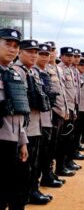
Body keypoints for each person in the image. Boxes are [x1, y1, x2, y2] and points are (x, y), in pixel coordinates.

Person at [13, 40, 52, 205]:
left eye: (36, 52)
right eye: (30, 51)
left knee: (33, 165)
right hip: (23, 130)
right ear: (19, 52)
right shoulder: (16, 72)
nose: (34, 55)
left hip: (35, 125)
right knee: (22, 169)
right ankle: (27, 194)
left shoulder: (33, 73)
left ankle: (31, 192)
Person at [0, 28, 29, 210]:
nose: (12, 49)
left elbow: (19, 112)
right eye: (7, 44)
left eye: (15, 46)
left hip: (13, 142)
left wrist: (23, 141)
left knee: (17, 193)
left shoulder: (15, 74)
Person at [34, 43, 63, 191]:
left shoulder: (47, 71)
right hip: (36, 123)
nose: (46, 56)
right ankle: (33, 188)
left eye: (48, 53)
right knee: (37, 156)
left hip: (48, 118)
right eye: (42, 53)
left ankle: (45, 178)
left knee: (47, 151)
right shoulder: (33, 72)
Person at [43, 41, 67, 186]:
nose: (52, 54)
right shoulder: (44, 69)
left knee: (54, 146)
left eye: (53, 51)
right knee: (48, 147)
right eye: (49, 51)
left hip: (59, 112)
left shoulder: (56, 69)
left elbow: (61, 91)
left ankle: (50, 173)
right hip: (51, 114)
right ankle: (47, 175)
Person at [57, 47, 78, 177]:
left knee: (69, 138)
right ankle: (60, 166)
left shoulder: (70, 69)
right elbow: (62, 93)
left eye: (72, 55)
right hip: (64, 110)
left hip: (71, 107)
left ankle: (66, 162)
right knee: (63, 140)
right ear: (61, 56)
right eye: (67, 55)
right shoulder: (60, 69)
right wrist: (65, 110)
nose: (70, 58)